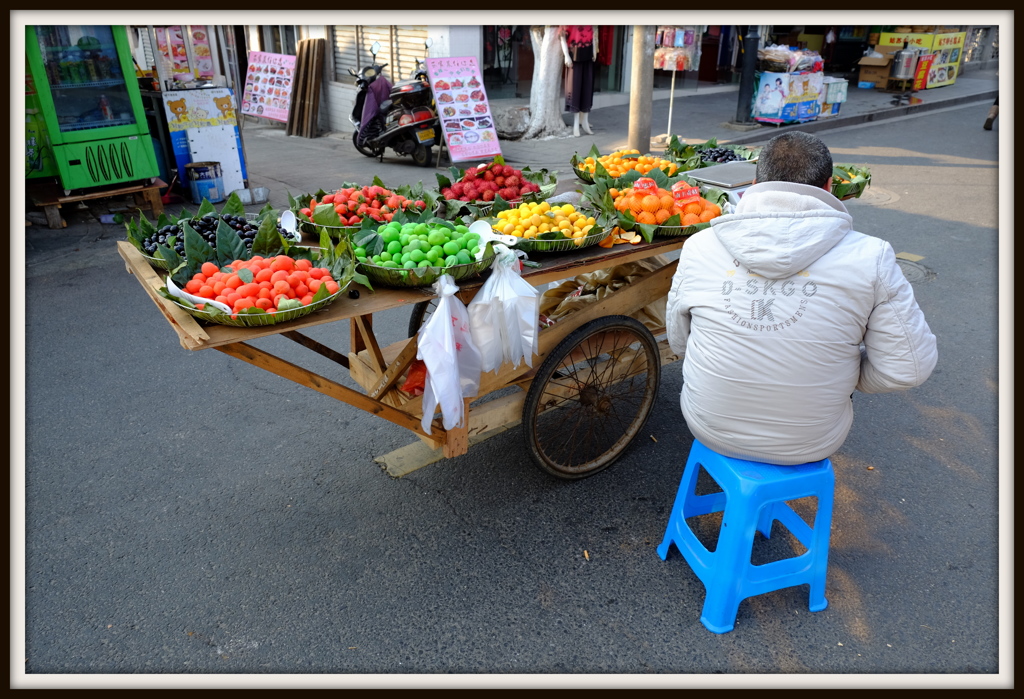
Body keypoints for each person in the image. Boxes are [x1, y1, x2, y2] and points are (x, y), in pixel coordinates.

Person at [665, 131, 937, 466]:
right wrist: (842, 373)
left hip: (707, 425)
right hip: (810, 441)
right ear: (829, 185)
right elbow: (908, 369)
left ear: (754, 183)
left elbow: (678, 341)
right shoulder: (871, 256)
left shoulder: (700, 245)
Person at [560, 25, 598, 137]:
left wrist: (594, 50)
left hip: (588, 55)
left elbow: (593, 35)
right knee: (575, 89)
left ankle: (585, 121)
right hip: (574, 56)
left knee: (587, 88)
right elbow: (562, 37)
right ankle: (576, 123)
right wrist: (566, 55)